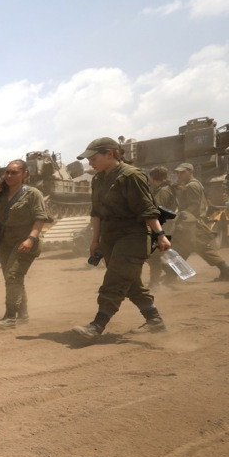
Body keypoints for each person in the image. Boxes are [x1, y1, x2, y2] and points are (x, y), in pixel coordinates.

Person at [71, 137, 170, 339]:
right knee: (130, 282)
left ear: (110, 154)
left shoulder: (131, 176)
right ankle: (155, 320)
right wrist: (95, 240)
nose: (90, 162)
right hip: (110, 237)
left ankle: (97, 326)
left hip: (132, 236)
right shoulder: (98, 179)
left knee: (115, 280)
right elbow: (96, 212)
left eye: (93, 157)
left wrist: (160, 235)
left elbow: (147, 209)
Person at [0, 159, 48, 328]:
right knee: (13, 278)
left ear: (25, 174)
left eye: (14, 172)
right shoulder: (0, 193)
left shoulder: (32, 194)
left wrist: (31, 239)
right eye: (7, 172)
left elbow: (40, 218)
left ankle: (10, 317)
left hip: (25, 241)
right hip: (6, 243)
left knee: (13, 276)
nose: (9, 175)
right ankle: (22, 315)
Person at [171, 163, 229, 281]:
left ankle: (171, 275)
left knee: (189, 247)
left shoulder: (192, 185)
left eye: (182, 172)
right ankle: (171, 275)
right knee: (188, 248)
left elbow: (194, 206)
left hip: (190, 223)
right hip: (192, 222)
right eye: (177, 172)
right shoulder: (192, 184)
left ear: (190, 172)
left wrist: (181, 218)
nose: (179, 174)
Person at [146, 166, 177, 286]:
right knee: (155, 255)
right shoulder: (164, 189)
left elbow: (157, 210)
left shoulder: (163, 191)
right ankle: (170, 273)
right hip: (163, 225)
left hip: (162, 226)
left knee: (153, 255)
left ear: (153, 178)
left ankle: (154, 284)